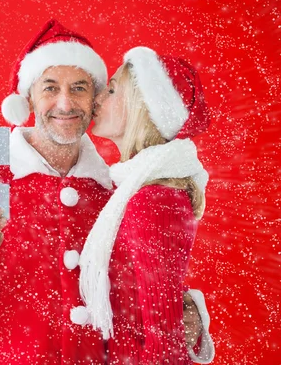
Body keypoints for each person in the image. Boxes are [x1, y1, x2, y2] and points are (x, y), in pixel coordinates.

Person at [0, 20, 212, 364]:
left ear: (95, 98)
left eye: (78, 88)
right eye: (50, 88)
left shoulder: (117, 196)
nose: (65, 104)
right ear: (28, 98)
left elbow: (147, 305)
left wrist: (188, 325)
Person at [70, 47, 215, 364]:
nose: (97, 99)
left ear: (141, 106)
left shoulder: (152, 200)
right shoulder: (136, 191)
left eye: (111, 90)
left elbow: (163, 338)